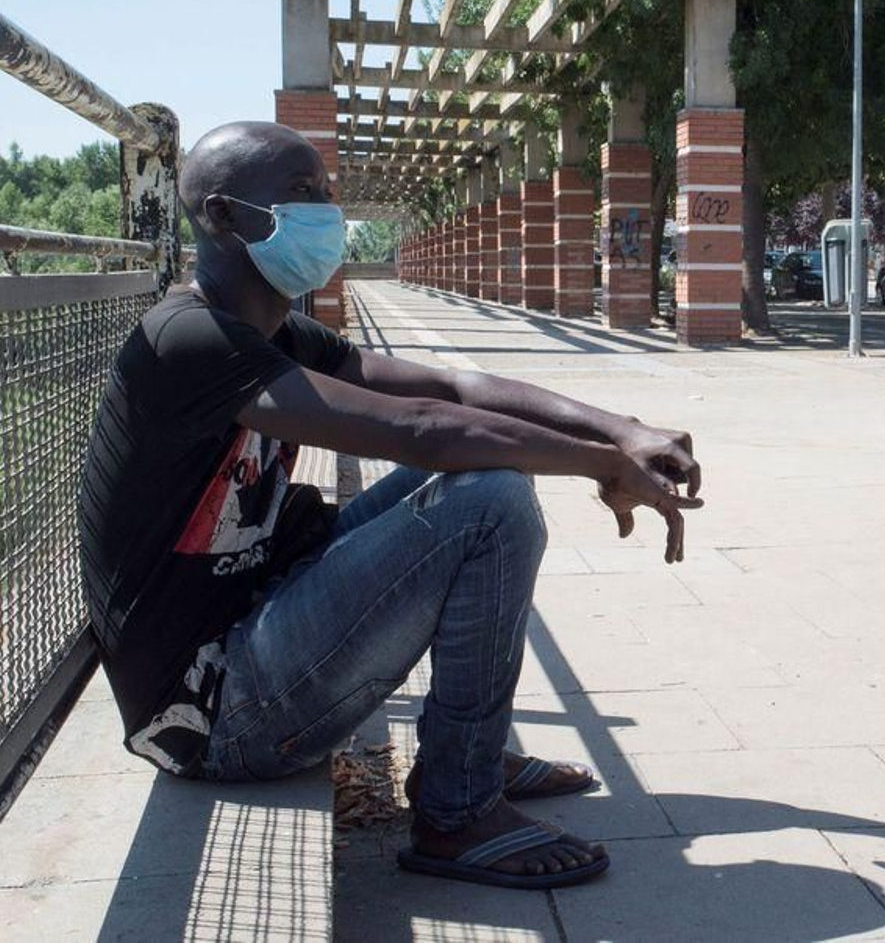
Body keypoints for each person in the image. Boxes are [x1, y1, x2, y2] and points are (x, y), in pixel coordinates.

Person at [77, 122, 702, 890]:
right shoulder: (189, 339)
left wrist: (620, 427)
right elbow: (419, 430)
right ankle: (457, 812)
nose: (327, 212)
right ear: (223, 217)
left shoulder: (274, 329)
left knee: (494, 468)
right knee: (490, 498)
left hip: (259, 623)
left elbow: (448, 389)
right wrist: (602, 465)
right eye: (302, 195)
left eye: (327, 194)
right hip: (210, 714)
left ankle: (468, 754)